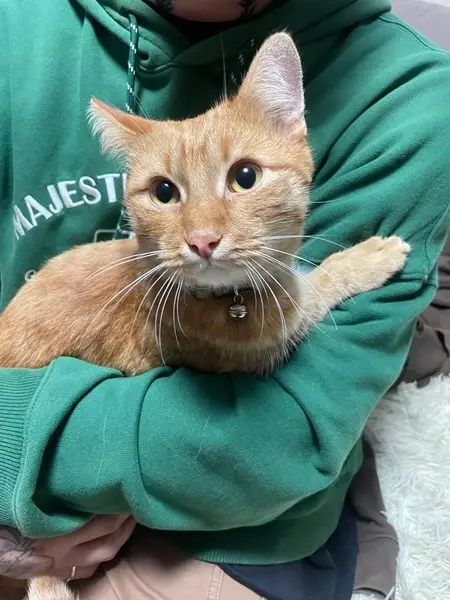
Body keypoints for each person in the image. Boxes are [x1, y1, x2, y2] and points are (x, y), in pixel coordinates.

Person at [0, 1, 449, 599]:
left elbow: (272, 443)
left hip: (237, 516)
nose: (202, 234)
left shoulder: (408, 98)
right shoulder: (18, 26)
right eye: (165, 192)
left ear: (292, 122)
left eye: (243, 178)